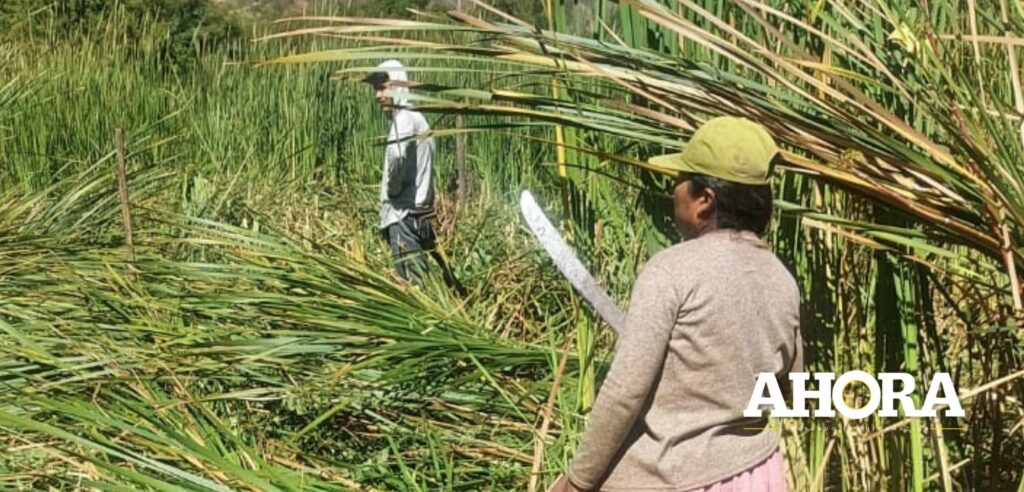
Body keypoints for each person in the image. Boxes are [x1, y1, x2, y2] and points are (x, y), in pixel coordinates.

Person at [550, 117, 803, 492]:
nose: (673, 190)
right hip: (756, 474)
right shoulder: (781, 279)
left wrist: (578, 480)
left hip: (674, 479)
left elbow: (624, 394)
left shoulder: (670, 270)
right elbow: (790, 388)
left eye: (680, 180)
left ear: (705, 201)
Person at [363, 60, 437, 283]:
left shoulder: (404, 119)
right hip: (418, 215)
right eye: (376, 89)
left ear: (398, 86)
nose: (377, 95)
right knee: (420, 280)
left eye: (382, 88)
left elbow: (396, 154)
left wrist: (392, 190)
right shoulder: (417, 117)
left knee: (413, 285)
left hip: (403, 217)